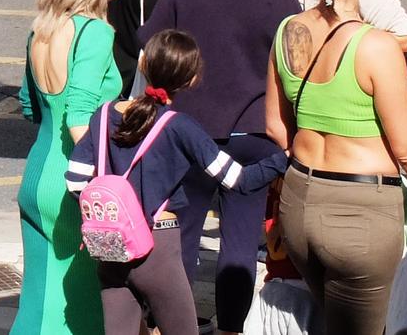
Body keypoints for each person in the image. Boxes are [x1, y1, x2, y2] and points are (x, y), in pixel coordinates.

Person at [137, 0, 297, 335]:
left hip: (188, 130)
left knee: (181, 238)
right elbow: (295, 60)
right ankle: (231, 328)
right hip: (253, 133)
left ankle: (176, 325)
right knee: (241, 243)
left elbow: (148, 44)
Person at [72, 29, 288, 335]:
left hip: (110, 248)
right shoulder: (180, 127)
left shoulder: (104, 115)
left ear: (143, 65)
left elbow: (75, 182)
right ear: (191, 80)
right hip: (158, 249)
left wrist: (117, 218)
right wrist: (284, 159)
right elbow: (238, 180)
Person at [265, 0, 407, 335]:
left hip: (300, 202)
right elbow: (404, 148)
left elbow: (275, 124)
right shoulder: (376, 45)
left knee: (330, 320)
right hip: (360, 214)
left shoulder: (288, 31)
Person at [15, 0, 122, 335]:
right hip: (73, 183)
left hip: (38, 171)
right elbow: (80, 120)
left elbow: (29, 105)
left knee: (40, 297)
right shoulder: (94, 32)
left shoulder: (41, 29)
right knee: (80, 305)